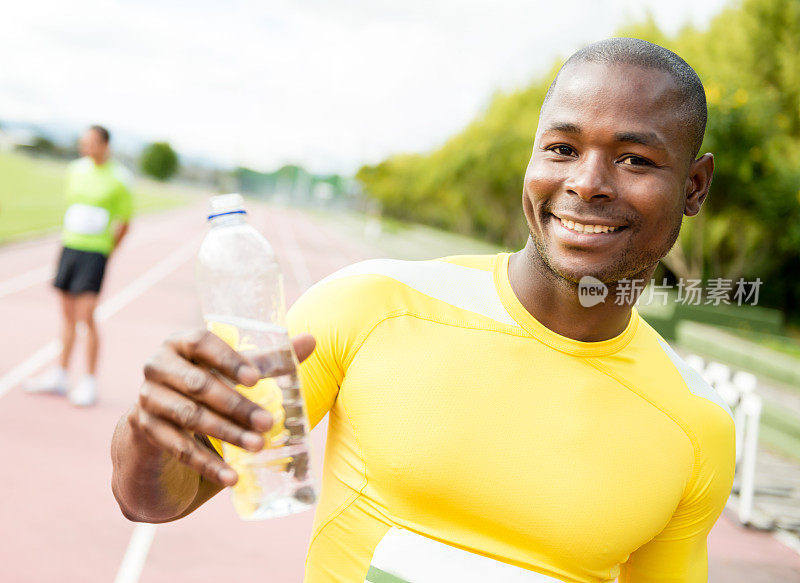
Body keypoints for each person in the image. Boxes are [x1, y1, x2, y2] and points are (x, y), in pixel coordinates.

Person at [111, 38, 734, 582]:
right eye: (563, 149)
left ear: (695, 186)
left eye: (635, 159)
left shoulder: (697, 426)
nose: (588, 182)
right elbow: (158, 501)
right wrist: (151, 429)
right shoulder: (370, 305)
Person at [25, 125, 133, 406]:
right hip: (70, 247)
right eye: (83, 143)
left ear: (104, 145)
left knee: (87, 316)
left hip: (94, 253)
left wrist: (107, 252)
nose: (85, 148)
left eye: (90, 143)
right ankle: (60, 374)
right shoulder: (75, 169)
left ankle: (89, 381)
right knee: (67, 314)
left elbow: (124, 223)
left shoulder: (119, 178)